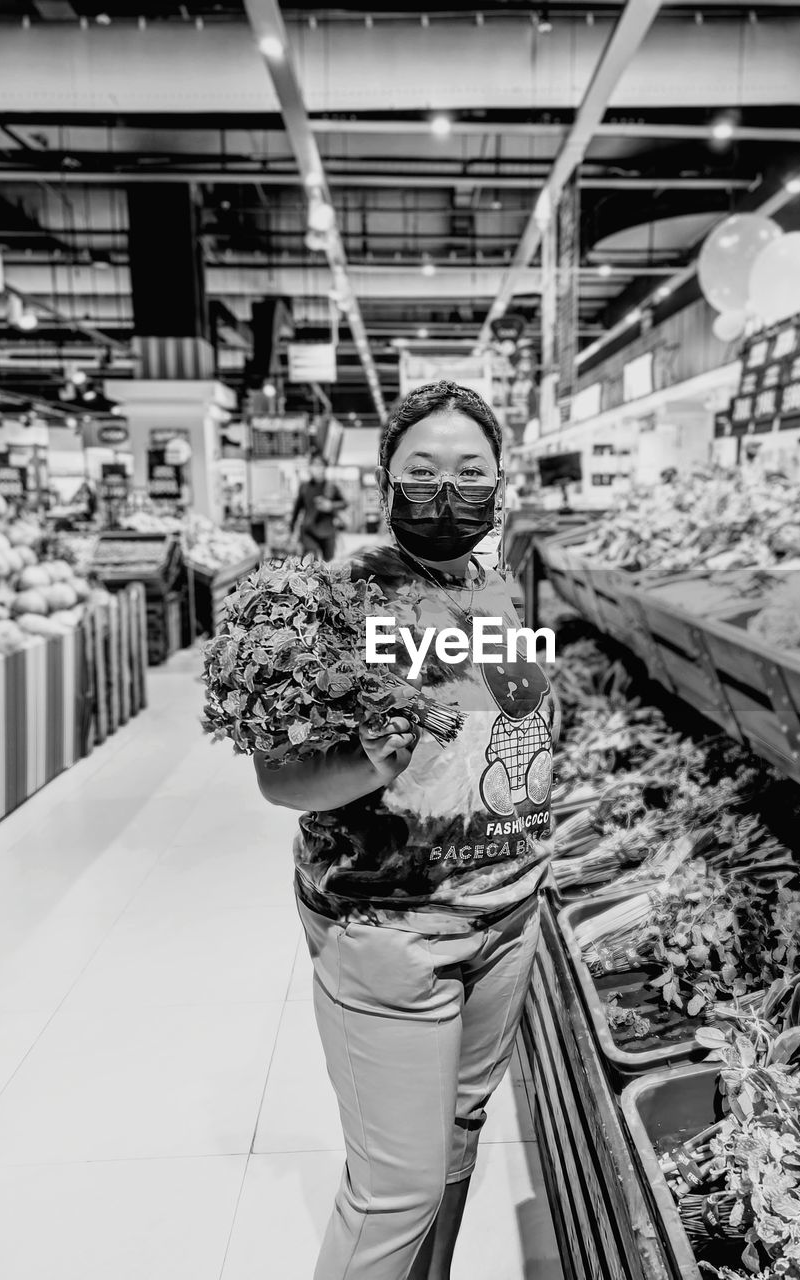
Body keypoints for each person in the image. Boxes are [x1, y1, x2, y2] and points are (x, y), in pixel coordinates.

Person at [254, 381, 559, 1280]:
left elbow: (506, 717)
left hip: (505, 918)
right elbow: (278, 777)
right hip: (394, 934)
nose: (445, 491)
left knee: (457, 1142)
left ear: (499, 485)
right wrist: (372, 765)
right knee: (397, 1191)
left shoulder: (493, 587)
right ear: (384, 482)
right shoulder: (340, 598)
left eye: (470, 472)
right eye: (420, 472)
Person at [290, 455, 348, 560]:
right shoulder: (304, 487)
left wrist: (331, 505)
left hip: (328, 532)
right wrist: (292, 528)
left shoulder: (331, 487)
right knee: (311, 561)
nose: (318, 468)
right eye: (315, 465)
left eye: (320, 465)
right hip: (308, 532)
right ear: (310, 468)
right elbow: (297, 509)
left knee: (328, 564)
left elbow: (344, 503)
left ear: (325, 468)